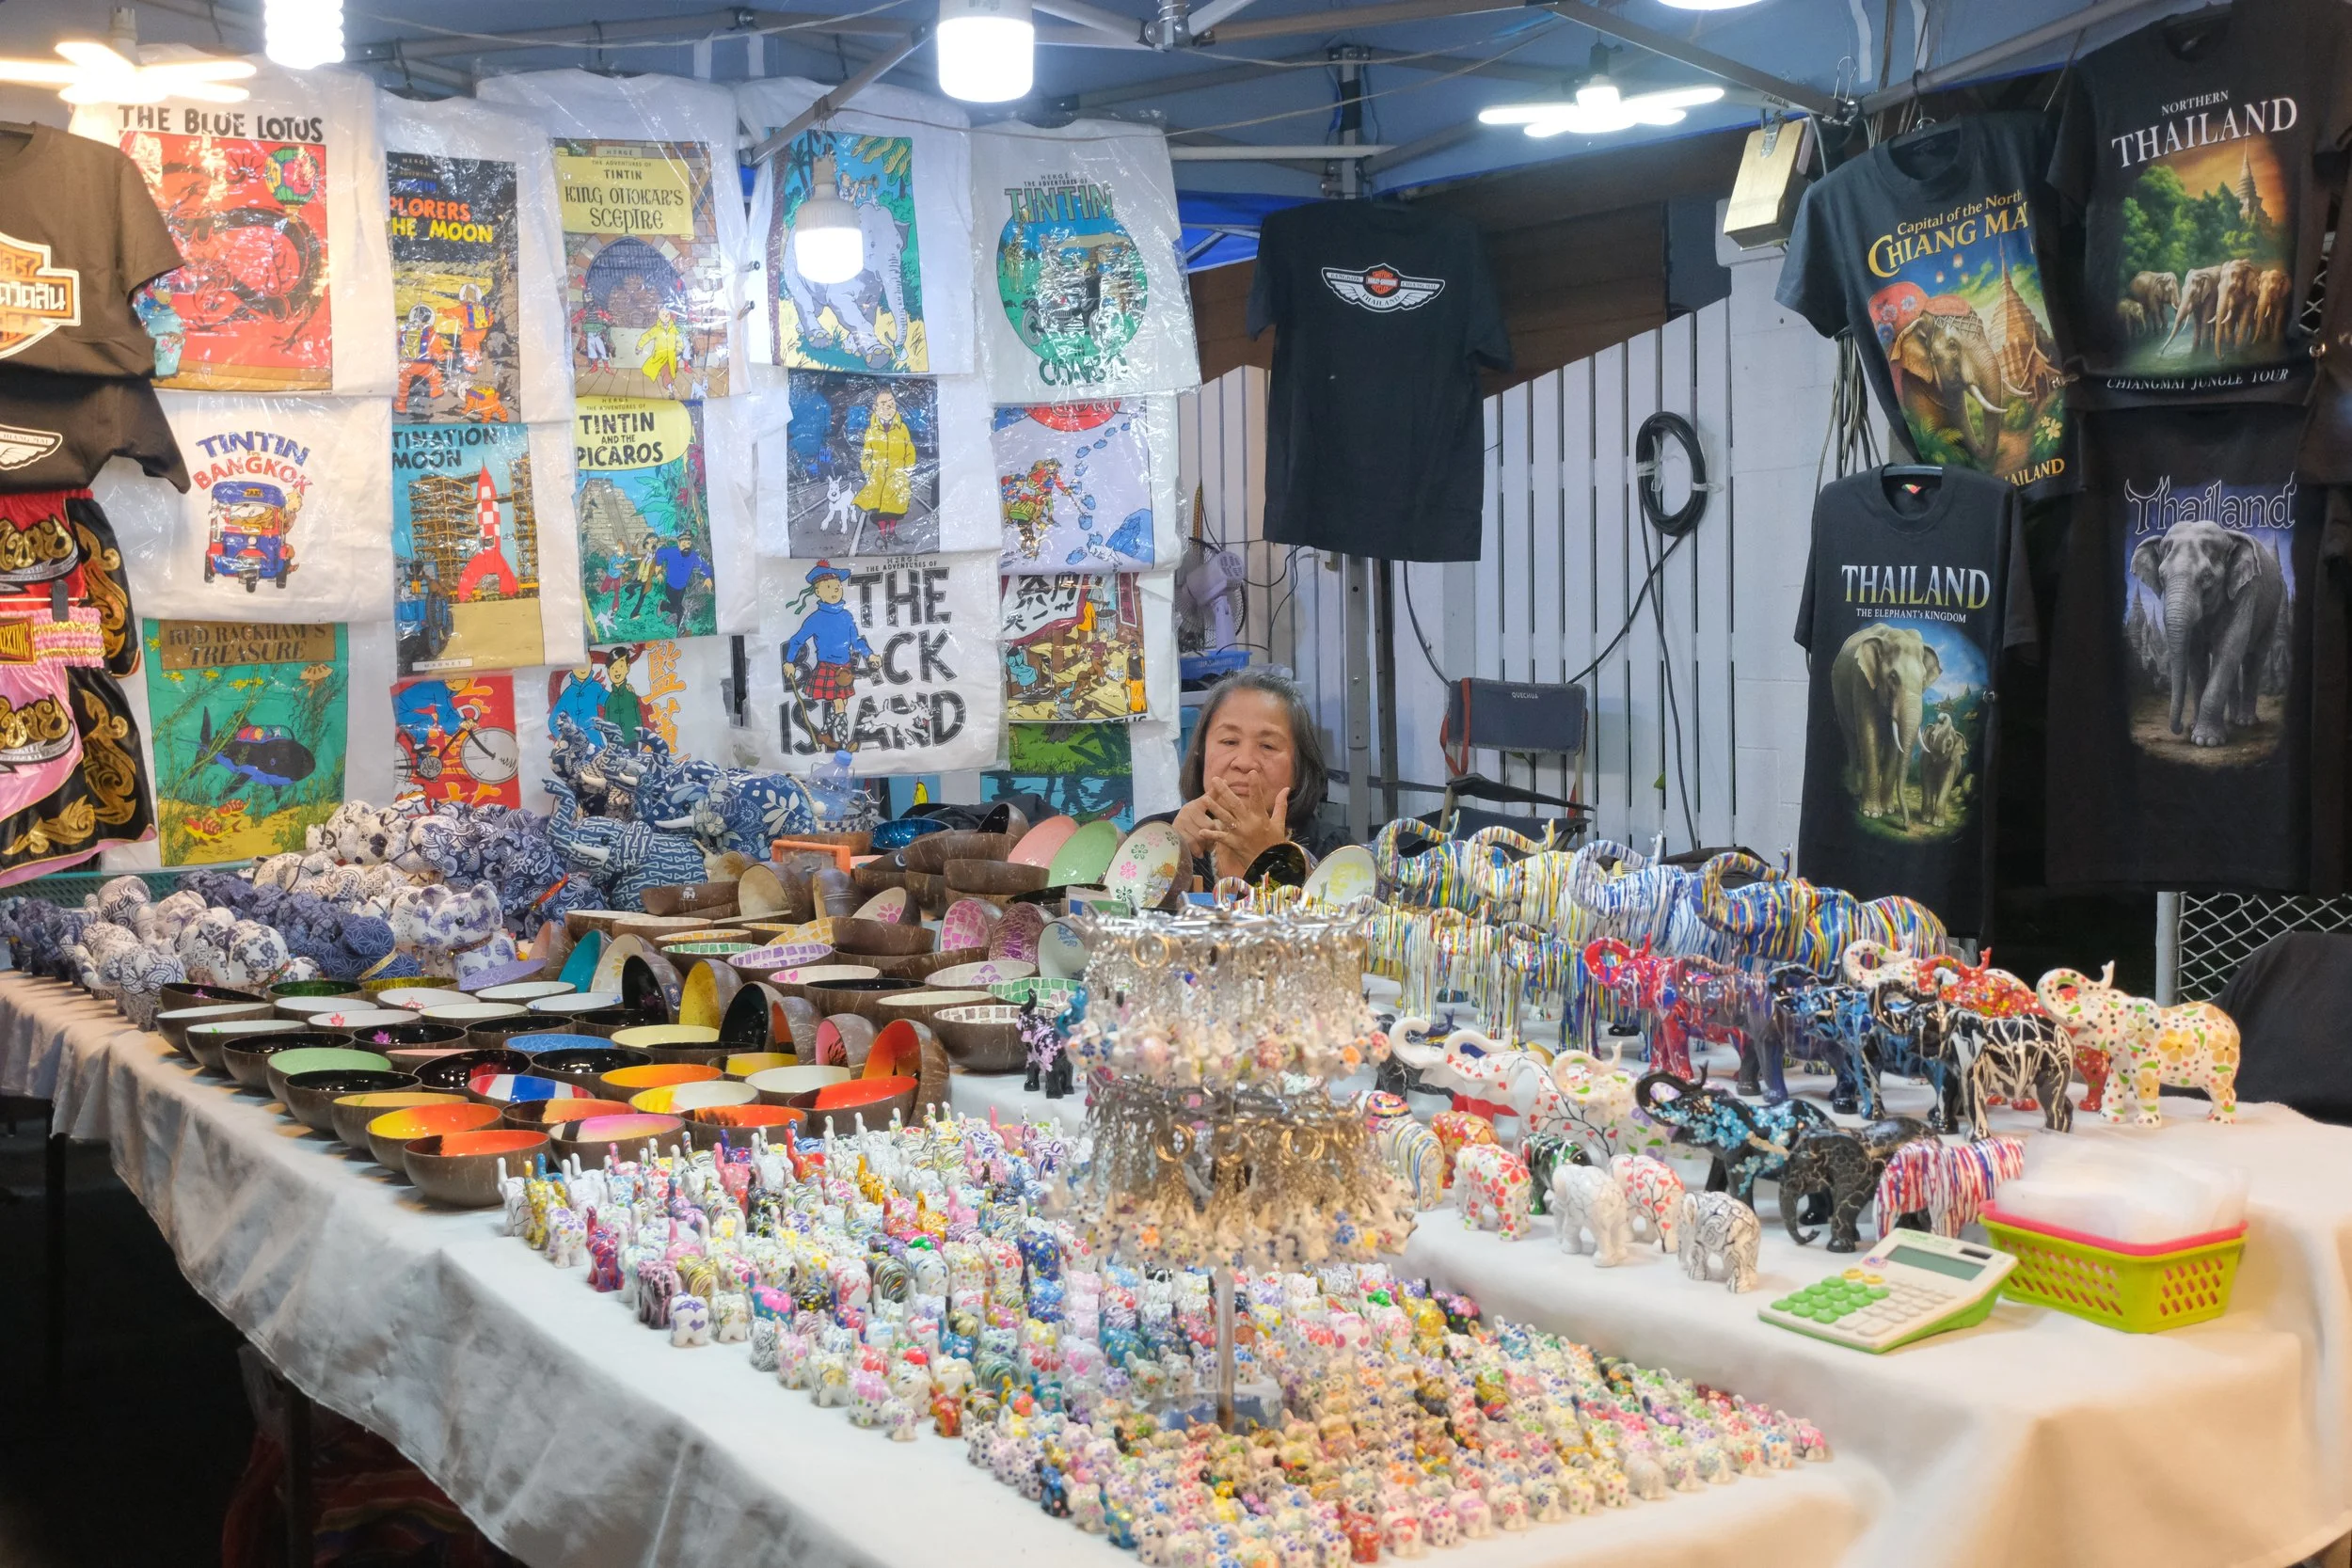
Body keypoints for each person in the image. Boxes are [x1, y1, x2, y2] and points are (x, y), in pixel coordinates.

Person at [1163, 669, 1334, 887]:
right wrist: (1166, 854)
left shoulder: (1334, 851)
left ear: (1300, 766)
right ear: (1200, 752)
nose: (1244, 762)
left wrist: (1274, 859)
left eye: (1268, 746)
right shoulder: (1158, 834)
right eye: (1229, 742)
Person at [855, 388, 917, 546]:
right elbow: (866, 453)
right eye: (883, 404)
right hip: (878, 478)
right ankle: (883, 535)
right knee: (880, 511)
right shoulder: (871, 430)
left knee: (895, 509)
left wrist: (907, 470)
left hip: (897, 477)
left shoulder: (902, 428)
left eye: (891, 404)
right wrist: (868, 471)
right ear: (876, 409)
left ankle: (892, 533)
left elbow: (909, 450)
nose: (888, 408)